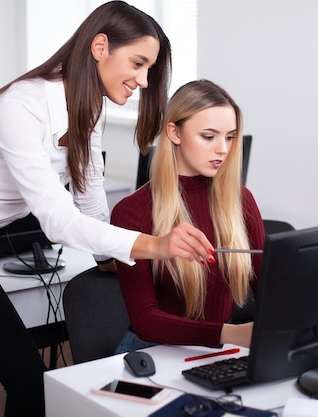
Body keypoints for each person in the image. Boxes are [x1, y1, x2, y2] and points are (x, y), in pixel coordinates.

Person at [0, 2, 215, 416]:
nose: (144, 80)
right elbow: (59, 221)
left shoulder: (90, 106)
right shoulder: (20, 105)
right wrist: (154, 246)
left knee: (30, 380)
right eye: (138, 63)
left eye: (149, 69)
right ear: (100, 46)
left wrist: (109, 258)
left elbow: (89, 192)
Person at [111, 79, 265, 353]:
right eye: (209, 136)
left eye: (229, 137)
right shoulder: (131, 212)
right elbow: (145, 320)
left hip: (216, 351)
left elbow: (269, 286)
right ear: (174, 133)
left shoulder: (242, 201)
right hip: (152, 351)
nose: (223, 149)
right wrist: (233, 334)